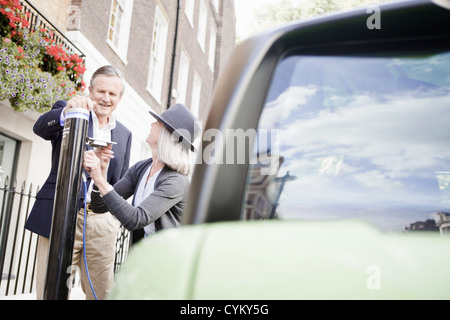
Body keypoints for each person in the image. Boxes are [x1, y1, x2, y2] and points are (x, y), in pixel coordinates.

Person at [24, 65, 132, 300]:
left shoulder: (124, 134)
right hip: (62, 214)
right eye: (101, 91)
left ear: (119, 98)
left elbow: (120, 183)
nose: (106, 98)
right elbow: (40, 128)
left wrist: (112, 220)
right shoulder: (70, 110)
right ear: (89, 91)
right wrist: (66, 112)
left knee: (102, 293)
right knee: (49, 290)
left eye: (112, 94)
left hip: (102, 223)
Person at [83, 103, 199, 241]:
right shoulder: (142, 168)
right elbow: (99, 206)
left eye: (157, 122)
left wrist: (99, 179)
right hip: (143, 250)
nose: (152, 124)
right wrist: (101, 170)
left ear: (166, 134)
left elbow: (136, 219)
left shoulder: (176, 181)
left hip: (167, 256)